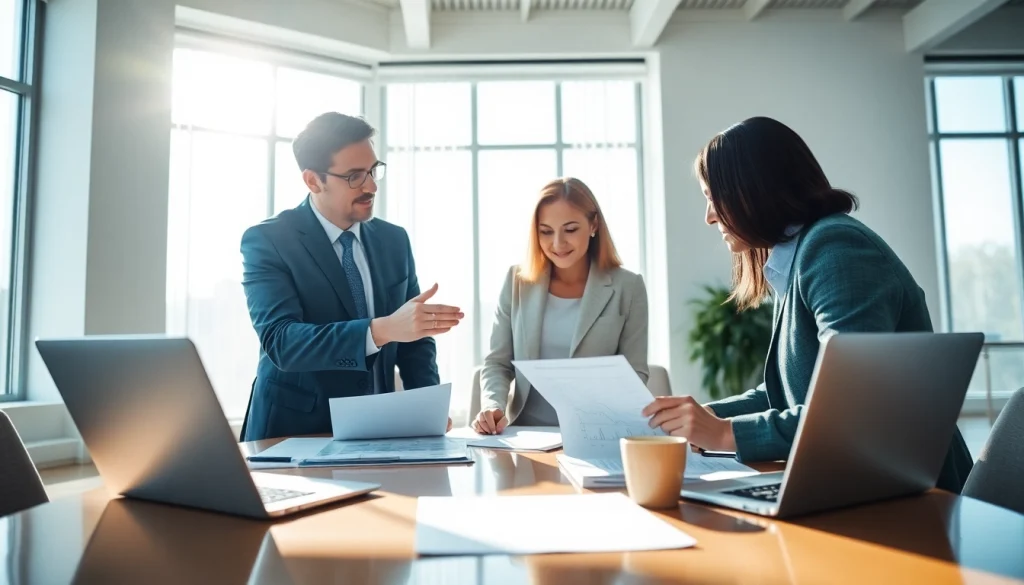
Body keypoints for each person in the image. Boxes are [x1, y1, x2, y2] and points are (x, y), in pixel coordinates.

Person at [642, 116, 974, 493]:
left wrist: (722, 433)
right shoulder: (799, 257)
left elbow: (852, 411)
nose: (710, 216)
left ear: (752, 189)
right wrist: (706, 416)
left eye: (712, 196)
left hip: (913, 497)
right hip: (857, 482)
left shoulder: (836, 249)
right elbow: (788, 392)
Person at [239, 112, 463, 441]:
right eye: (355, 176)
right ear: (313, 180)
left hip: (378, 432)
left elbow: (414, 342)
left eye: (373, 170)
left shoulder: (394, 240)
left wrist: (429, 406)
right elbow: (283, 341)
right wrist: (382, 329)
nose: (371, 185)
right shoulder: (268, 241)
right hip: (292, 436)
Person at [473, 177, 649, 434]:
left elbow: (635, 374)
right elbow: (498, 363)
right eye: (546, 231)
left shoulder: (628, 286)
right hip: (525, 435)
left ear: (593, 225)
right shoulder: (516, 282)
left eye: (570, 230)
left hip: (597, 433)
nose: (557, 244)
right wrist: (493, 405)